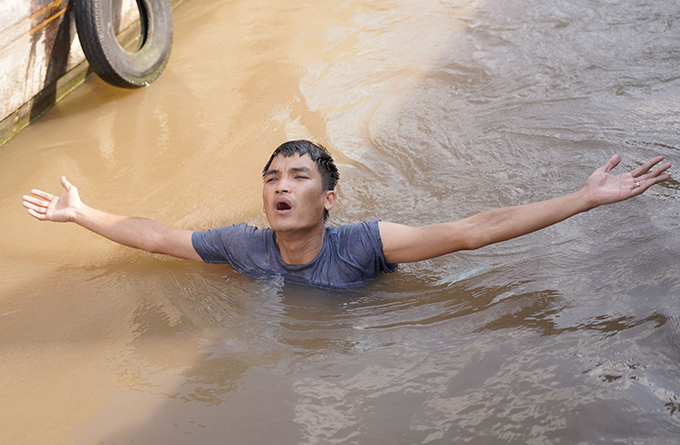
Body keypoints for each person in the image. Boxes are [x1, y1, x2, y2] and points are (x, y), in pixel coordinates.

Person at [22, 140, 671, 290]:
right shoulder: (244, 246)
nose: (282, 186)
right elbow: (160, 238)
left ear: (328, 199)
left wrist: (584, 197)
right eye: (273, 177)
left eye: (299, 177)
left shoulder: (367, 243)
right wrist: (83, 212)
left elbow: (477, 230)